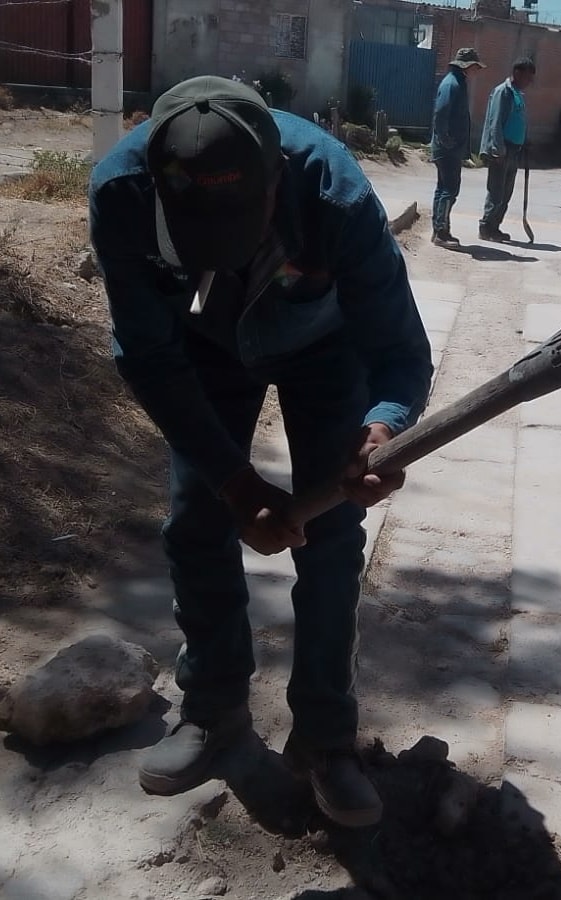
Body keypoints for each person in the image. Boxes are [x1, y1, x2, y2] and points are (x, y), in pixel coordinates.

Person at [89, 76, 433, 828]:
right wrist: (236, 485)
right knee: (197, 520)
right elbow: (148, 355)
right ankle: (213, 711)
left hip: (322, 344)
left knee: (333, 535)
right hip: (203, 347)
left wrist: (384, 426)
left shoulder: (338, 197)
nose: (219, 245)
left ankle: (325, 736)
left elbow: (401, 352)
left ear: (278, 178)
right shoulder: (120, 192)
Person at [430, 48, 486, 249]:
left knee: (444, 188)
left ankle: (439, 229)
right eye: (475, 67)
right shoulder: (452, 84)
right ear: (467, 66)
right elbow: (441, 112)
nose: (476, 71)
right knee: (450, 189)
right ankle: (441, 232)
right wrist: (445, 138)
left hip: (449, 146)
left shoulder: (457, 82)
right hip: (447, 148)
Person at [478, 57, 536, 242]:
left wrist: (524, 140)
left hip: (514, 150)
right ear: (517, 73)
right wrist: (497, 150)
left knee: (506, 193)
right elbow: (494, 123)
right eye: (528, 77)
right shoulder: (502, 92)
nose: (530, 82)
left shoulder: (518, 94)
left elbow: (519, 120)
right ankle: (486, 227)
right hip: (501, 150)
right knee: (496, 191)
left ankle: (495, 227)